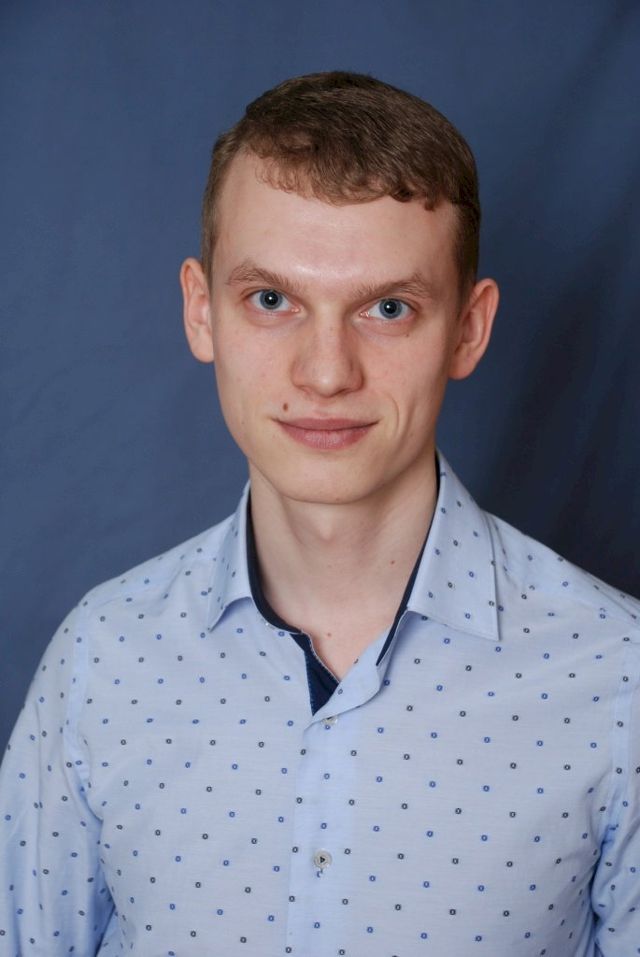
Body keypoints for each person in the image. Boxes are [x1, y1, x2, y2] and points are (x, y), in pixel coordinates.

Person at [1, 70, 638, 957]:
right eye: (272, 300)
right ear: (201, 312)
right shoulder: (100, 662)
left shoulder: (620, 680)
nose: (327, 372)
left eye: (388, 308)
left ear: (468, 328)